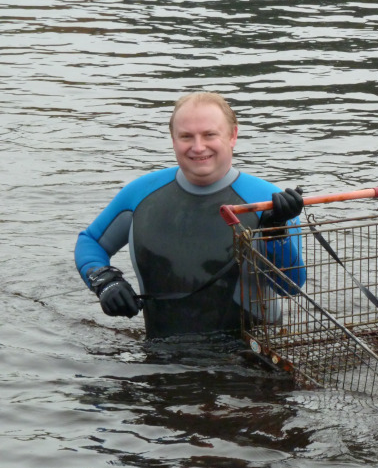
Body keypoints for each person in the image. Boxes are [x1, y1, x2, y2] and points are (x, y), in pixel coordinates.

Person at [74, 92, 307, 338]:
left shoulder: (269, 202)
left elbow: (290, 286)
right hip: (161, 355)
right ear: (173, 140)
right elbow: (90, 242)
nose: (198, 147)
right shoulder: (140, 194)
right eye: (186, 136)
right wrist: (105, 281)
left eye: (209, 135)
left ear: (232, 136)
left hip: (249, 357)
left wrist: (275, 232)